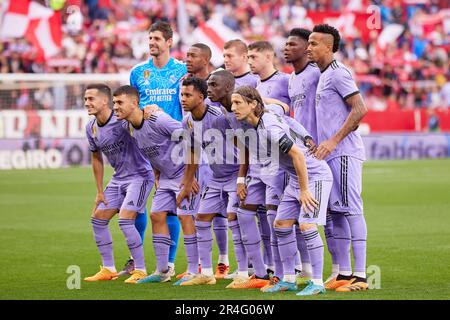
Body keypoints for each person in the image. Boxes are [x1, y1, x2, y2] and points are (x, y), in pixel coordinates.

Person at [230, 85, 333, 296]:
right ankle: (288, 279)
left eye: (238, 103)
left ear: (252, 104)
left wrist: (304, 190)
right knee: (281, 224)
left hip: (314, 176)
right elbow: (281, 107)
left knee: (306, 225)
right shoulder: (263, 117)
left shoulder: (269, 128)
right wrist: (305, 136)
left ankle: (318, 282)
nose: (233, 107)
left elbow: (297, 155)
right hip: (296, 177)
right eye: (232, 103)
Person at [111, 85, 201, 284]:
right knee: (156, 215)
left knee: (186, 219)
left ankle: (195, 271)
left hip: (186, 172)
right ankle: (162, 271)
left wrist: (190, 177)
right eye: (114, 102)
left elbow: (191, 139)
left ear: (134, 103)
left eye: (119, 102)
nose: (115, 107)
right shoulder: (129, 127)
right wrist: (158, 175)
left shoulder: (157, 119)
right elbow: (153, 152)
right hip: (167, 176)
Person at [308, 24, 369, 292]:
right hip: (329, 154)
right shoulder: (322, 76)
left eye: (314, 43)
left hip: (343, 152)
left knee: (352, 208)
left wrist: (333, 141)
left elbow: (360, 109)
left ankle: (361, 275)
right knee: (336, 211)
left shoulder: (338, 73)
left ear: (330, 47)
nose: (309, 47)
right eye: (308, 43)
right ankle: (344, 273)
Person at [130, 21, 187, 275]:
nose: (152, 42)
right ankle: (138, 262)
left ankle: (171, 263)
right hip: (143, 146)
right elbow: (131, 105)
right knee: (137, 203)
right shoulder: (138, 72)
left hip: (174, 147)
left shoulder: (182, 71)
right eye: (149, 38)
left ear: (169, 42)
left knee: (172, 205)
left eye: (156, 39)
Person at [176, 77, 244, 286]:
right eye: (182, 94)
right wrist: (187, 183)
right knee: (202, 219)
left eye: (188, 95)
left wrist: (243, 177)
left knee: (236, 219)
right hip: (216, 177)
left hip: (234, 173)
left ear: (201, 97)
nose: (183, 99)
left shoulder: (218, 116)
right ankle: (206, 273)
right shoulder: (187, 121)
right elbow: (193, 152)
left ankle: (243, 272)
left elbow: (243, 147)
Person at [83, 84, 154, 284]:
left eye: (91, 99)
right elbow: (96, 157)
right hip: (118, 178)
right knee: (97, 219)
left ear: (105, 101)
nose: (86, 103)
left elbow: (142, 121)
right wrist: (99, 191)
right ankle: (108, 268)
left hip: (140, 176)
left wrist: (150, 109)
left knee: (125, 220)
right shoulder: (91, 127)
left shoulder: (122, 120)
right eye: (85, 99)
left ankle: (140, 270)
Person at [284, 27, 339, 285]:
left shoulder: (318, 73)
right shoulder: (291, 79)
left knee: (331, 214)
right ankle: (306, 269)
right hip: (300, 154)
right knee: (296, 219)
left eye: (292, 43)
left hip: (320, 154)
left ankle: (339, 269)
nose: (286, 47)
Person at [247, 40, 295, 281]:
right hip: (263, 160)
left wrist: (265, 104)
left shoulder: (285, 81)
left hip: (283, 158)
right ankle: (278, 268)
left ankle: (297, 267)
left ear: (268, 56)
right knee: (268, 215)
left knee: (285, 215)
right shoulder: (256, 84)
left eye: (253, 57)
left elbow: (291, 111)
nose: (249, 62)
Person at [184, 43, 230, 278]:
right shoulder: (186, 85)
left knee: (225, 214)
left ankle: (225, 261)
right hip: (203, 161)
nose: (187, 59)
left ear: (206, 59)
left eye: (192, 55)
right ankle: (202, 267)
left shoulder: (218, 84)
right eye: (186, 55)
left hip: (226, 163)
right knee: (200, 213)